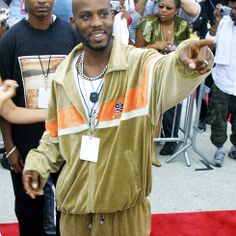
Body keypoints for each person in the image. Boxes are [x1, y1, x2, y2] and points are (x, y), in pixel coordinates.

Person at [22, 0, 213, 235]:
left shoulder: (139, 64)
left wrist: (183, 62)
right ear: (73, 22)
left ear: (113, 16)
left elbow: (165, 70)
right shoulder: (62, 79)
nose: (97, 23)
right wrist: (37, 164)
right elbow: (54, 135)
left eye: (103, 14)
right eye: (86, 16)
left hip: (126, 219)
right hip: (75, 217)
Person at [0, 0, 79, 235]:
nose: (42, 1)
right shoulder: (11, 40)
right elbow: (5, 103)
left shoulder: (70, 34)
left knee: (69, 205)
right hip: (26, 142)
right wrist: (11, 147)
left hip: (66, 138)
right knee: (29, 206)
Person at [135, 0, 190, 157]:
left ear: (177, 10)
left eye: (168, 8)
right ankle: (145, 141)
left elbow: (185, 48)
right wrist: (155, 46)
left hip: (174, 73)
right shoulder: (147, 22)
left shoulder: (182, 25)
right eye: (161, 6)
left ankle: (169, 140)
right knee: (149, 107)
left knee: (173, 106)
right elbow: (136, 51)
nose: (163, 10)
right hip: (150, 72)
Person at [205, 0, 236, 167]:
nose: (233, 11)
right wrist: (215, 23)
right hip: (222, 81)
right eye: (232, 7)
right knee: (218, 119)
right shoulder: (224, 22)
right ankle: (219, 150)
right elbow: (209, 41)